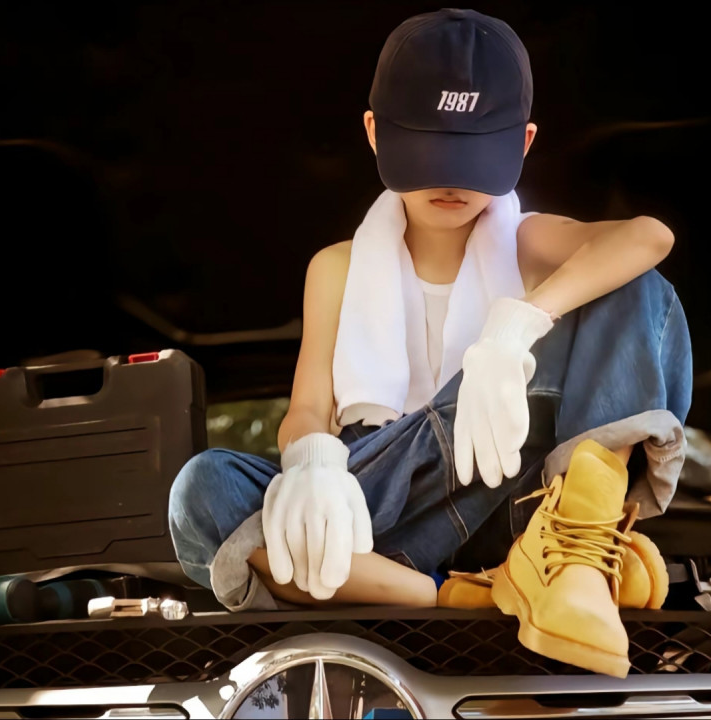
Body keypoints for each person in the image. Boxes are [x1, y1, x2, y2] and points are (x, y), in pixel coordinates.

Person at [168, 8, 692, 676]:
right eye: (428, 152)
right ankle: (462, 596)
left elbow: (648, 237)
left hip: (509, 490)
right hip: (384, 495)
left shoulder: (529, 241)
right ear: (374, 132)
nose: (451, 180)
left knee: (634, 285)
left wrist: (517, 327)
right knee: (202, 488)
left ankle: (576, 563)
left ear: (523, 143)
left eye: (474, 156)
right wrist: (311, 464)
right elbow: (308, 408)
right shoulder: (335, 267)